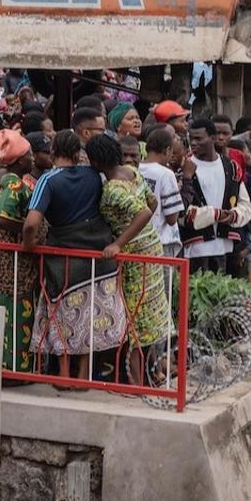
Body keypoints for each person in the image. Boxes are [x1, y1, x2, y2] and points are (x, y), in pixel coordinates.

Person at [24, 130, 127, 380]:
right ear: (77, 153)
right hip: (98, 257)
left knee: (61, 314)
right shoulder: (94, 176)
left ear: (52, 152)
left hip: (64, 258)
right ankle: (83, 374)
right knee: (89, 316)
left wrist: (28, 245)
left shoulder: (48, 180)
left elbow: (31, 223)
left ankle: (62, 373)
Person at [87, 135, 173, 385]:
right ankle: (149, 373)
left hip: (135, 255)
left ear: (95, 162)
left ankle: (136, 380)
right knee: (149, 314)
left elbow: (144, 212)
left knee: (135, 319)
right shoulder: (131, 172)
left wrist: (118, 242)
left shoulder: (113, 189)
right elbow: (152, 202)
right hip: (151, 246)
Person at [0, 129, 39, 373]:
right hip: (9, 260)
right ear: (19, 159)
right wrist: (27, 228)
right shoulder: (13, 181)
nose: (32, 158)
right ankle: (13, 370)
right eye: (29, 154)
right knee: (13, 312)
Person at [179, 120, 251, 274]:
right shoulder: (184, 168)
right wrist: (215, 214)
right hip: (195, 250)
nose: (193, 143)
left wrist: (233, 215)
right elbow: (180, 211)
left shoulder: (231, 167)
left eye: (199, 139)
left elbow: (246, 206)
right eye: (191, 138)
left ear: (212, 138)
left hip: (227, 248)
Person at [139, 127, 184, 259]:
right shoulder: (166, 174)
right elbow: (172, 218)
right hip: (160, 241)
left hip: (139, 239)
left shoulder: (136, 169)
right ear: (168, 150)